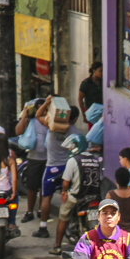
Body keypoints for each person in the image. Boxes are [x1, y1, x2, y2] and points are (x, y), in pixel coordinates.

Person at [32, 97, 84, 240]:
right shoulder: (76, 133)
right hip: (68, 169)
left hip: (52, 168)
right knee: (71, 196)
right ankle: (71, 223)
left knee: (46, 197)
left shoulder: (51, 126)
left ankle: (43, 226)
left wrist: (47, 102)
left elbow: (37, 115)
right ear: (74, 119)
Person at [51, 145, 103, 256]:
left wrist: (64, 191)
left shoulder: (73, 161)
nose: (69, 150)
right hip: (94, 197)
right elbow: (101, 179)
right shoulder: (96, 160)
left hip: (77, 197)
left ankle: (57, 246)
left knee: (63, 216)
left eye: (71, 147)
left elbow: (65, 182)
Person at [14, 98, 47, 222]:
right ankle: (29, 211)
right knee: (32, 187)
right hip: (34, 158)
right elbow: (18, 131)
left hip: (48, 159)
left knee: (45, 188)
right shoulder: (30, 121)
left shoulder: (49, 121)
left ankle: (41, 211)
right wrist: (25, 116)